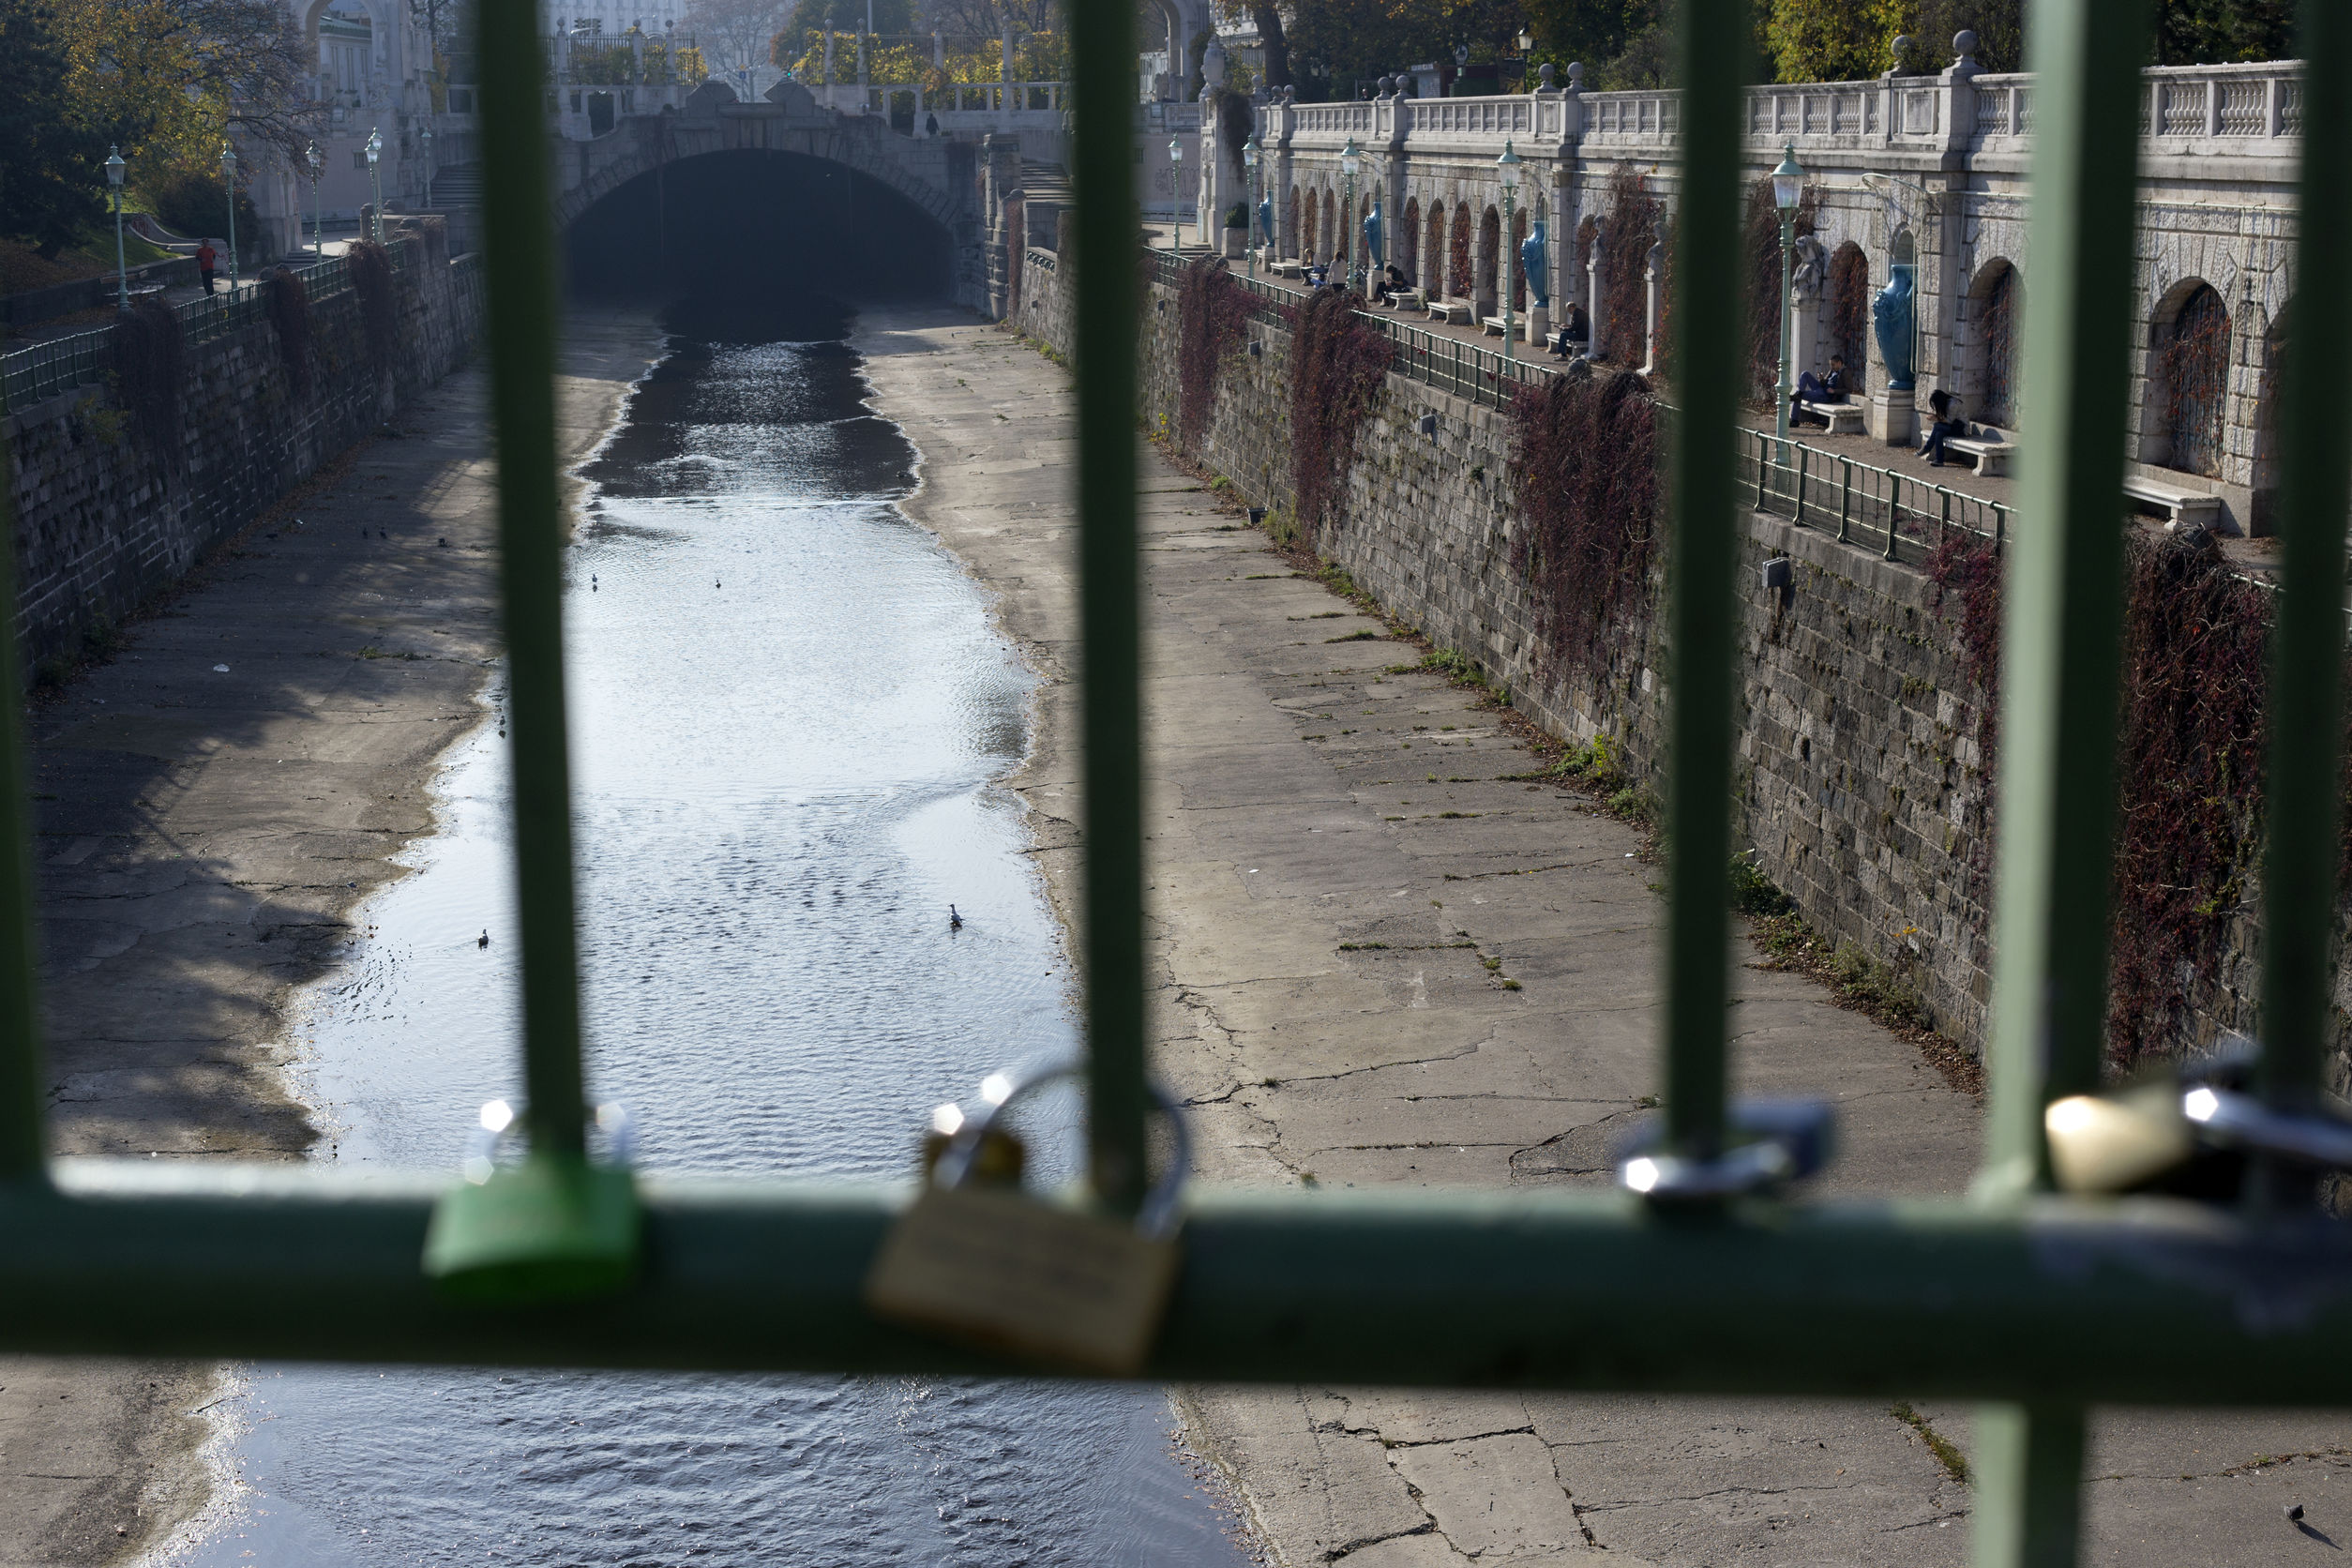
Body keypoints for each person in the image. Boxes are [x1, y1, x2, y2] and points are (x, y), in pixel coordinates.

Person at [1790, 354, 1850, 428]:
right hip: (1821, 389)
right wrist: (1821, 379)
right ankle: (1799, 392)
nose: (1831, 367)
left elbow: (1849, 389)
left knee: (1799, 396)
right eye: (1830, 365)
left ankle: (1794, 420)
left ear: (1839, 363)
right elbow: (1823, 383)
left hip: (1826, 396)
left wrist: (1834, 391)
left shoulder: (1845, 372)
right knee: (1805, 374)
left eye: (1833, 365)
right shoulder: (1832, 370)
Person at [1918, 387, 1960, 467]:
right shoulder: (1946, 403)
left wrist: (1936, 418)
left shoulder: (1953, 404)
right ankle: (1939, 460)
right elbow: (1945, 419)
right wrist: (1935, 416)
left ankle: (1927, 448)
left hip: (1960, 429)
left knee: (1937, 425)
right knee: (1938, 434)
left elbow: (1950, 421)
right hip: (1951, 427)